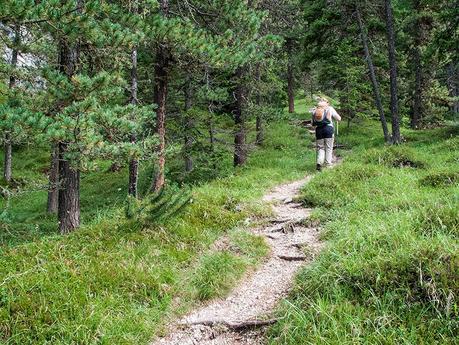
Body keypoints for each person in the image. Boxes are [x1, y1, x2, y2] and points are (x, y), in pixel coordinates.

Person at [312, 98, 341, 171]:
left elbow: (313, 123)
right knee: (329, 147)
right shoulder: (330, 108)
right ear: (326, 103)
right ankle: (328, 164)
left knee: (320, 148)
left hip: (319, 130)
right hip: (328, 129)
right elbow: (338, 118)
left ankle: (319, 162)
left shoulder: (314, 111)